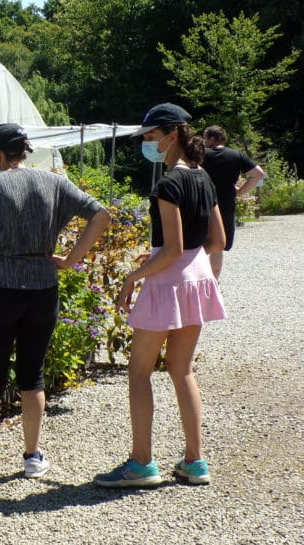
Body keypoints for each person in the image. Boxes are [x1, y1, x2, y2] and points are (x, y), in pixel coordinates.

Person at [0, 123, 111, 490]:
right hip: (43, 287)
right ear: (22, 152)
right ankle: (32, 457)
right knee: (33, 373)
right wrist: (72, 259)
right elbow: (101, 215)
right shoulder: (54, 182)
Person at [95, 103, 226, 488]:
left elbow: (171, 249)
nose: (147, 145)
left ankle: (141, 463)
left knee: (139, 371)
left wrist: (132, 277)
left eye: (150, 138)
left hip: (168, 283)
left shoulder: (167, 184)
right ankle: (194, 462)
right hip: (198, 276)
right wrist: (157, 253)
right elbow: (216, 241)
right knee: (182, 370)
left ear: (171, 135)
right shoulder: (204, 177)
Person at [202, 125, 266, 279]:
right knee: (219, 246)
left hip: (202, 202)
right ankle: (214, 283)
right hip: (226, 204)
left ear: (211, 138)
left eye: (205, 138)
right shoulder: (236, 155)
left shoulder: (201, 154)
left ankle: (198, 281)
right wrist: (240, 191)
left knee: (198, 244)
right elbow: (258, 174)